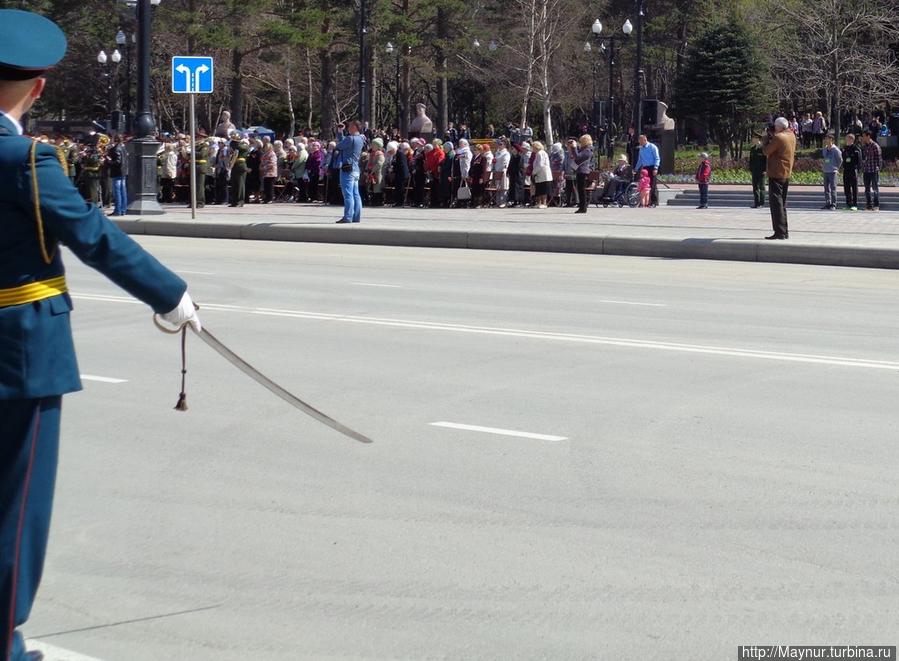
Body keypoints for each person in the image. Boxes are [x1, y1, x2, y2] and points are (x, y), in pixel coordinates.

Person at [0, 10, 202, 661]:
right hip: (19, 353)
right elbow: (92, 236)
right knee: (13, 510)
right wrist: (170, 295)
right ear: (38, 89)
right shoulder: (23, 157)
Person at [762, 117, 796, 239]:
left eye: (775, 127)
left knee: (776, 204)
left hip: (776, 173)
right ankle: (784, 231)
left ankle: (779, 232)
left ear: (779, 127)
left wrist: (765, 139)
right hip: (786, 173)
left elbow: (766, 151)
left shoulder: (778, 137)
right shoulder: (791, 135)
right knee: (782, 203)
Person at [334, 120, 364, 223]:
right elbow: (344, 142)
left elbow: (339, 146)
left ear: (355, 127)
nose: (348, 128)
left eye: (350, 126)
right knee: (356, 194)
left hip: (347, 169)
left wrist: (339, 134)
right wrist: (340, 132)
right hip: (356, 169)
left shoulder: (350, 139)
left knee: (348, 194)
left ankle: (347, 217)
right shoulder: (360, 138)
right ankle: (356, 217)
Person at [633, 134, 660, 207]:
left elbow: (657, 158)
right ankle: (645, 202)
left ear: (645, 140)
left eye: (641, 142)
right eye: (639, 142)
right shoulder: (641, 149)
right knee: (644, 185)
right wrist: (635, 169)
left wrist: (656, 168)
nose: (640, 143)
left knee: (652, 185)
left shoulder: (652, 147)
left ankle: (653, 202)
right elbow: (640, 160)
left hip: (652, 167)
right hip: (645, 169)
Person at [860, 131, 882, 212]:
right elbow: (863, 158)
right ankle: (869, 205)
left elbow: (879, 159)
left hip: (873, 170)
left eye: (864, 136)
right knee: (867, 189)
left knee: (875, 188)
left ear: (868, 136)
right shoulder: (865, 146)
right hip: (866, 170)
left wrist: (878, 168)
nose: (863, 138)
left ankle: (876, 205)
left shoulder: (875, 146)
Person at [572, 134, 593, 214]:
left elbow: (578, 157)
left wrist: (574, 147)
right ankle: (582, 206)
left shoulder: (587, 150)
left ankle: (583, 207)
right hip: (580, 171)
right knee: (580, 190)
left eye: (581, 141)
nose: (579, 143)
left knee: (582, 191)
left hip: (583, 172)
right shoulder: (583, 149)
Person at [820, 133, 842, 210]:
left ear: (831, 140)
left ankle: (833, 204)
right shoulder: (825, 149)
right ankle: (827, 203)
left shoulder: (836, 150)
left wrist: (837, 168)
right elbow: (825, 158)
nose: (826, 140)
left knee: (833, 188)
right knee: (826, 188)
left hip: (833, 171)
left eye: (827, 138)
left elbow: (840, 160)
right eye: (825, 138)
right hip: (825, 171)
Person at [108, 134, 128, 216]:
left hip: (117, 172)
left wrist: (109, 161)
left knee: (117, 192)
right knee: (123, 191)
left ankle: (118, 210)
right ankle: (123, 210)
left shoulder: (116, 149)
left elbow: (117, 161)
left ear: (115, 139)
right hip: (123, 171)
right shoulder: (123, 148)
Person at [841, 133, 861, 211]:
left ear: (852, 140)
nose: (847, 140)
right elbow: (843, 158)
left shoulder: (856, 149)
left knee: (854, 188)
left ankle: (854, 204)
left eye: (848, 139)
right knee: (846, 187)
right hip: (846, 170)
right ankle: (848, 204)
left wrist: (858, 170)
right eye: (846, 139)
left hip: (853, 170)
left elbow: (859, 161)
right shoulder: (844, 148)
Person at [530, 141, 552, 209]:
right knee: (539, 189)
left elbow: (540, 164)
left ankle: (544, 203)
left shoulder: (540, 153)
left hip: (542, 173)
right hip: (540, 174)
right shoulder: (539, 153)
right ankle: (539, 203)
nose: (532, 149)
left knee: (543, 189)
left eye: (533, 147)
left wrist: (534, 172)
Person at [748, 133, 767, 208]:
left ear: (758, 139)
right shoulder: (752, 149)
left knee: (761, 187)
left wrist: (765, 169)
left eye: (754, 138)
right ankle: (756, 203)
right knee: (755, 186)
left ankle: (761, 203)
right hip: (754, 171)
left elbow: (766, 160)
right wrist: (751, 169)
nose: (753, 140)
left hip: (761, 171)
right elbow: (751, 160)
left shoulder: (763, 148)